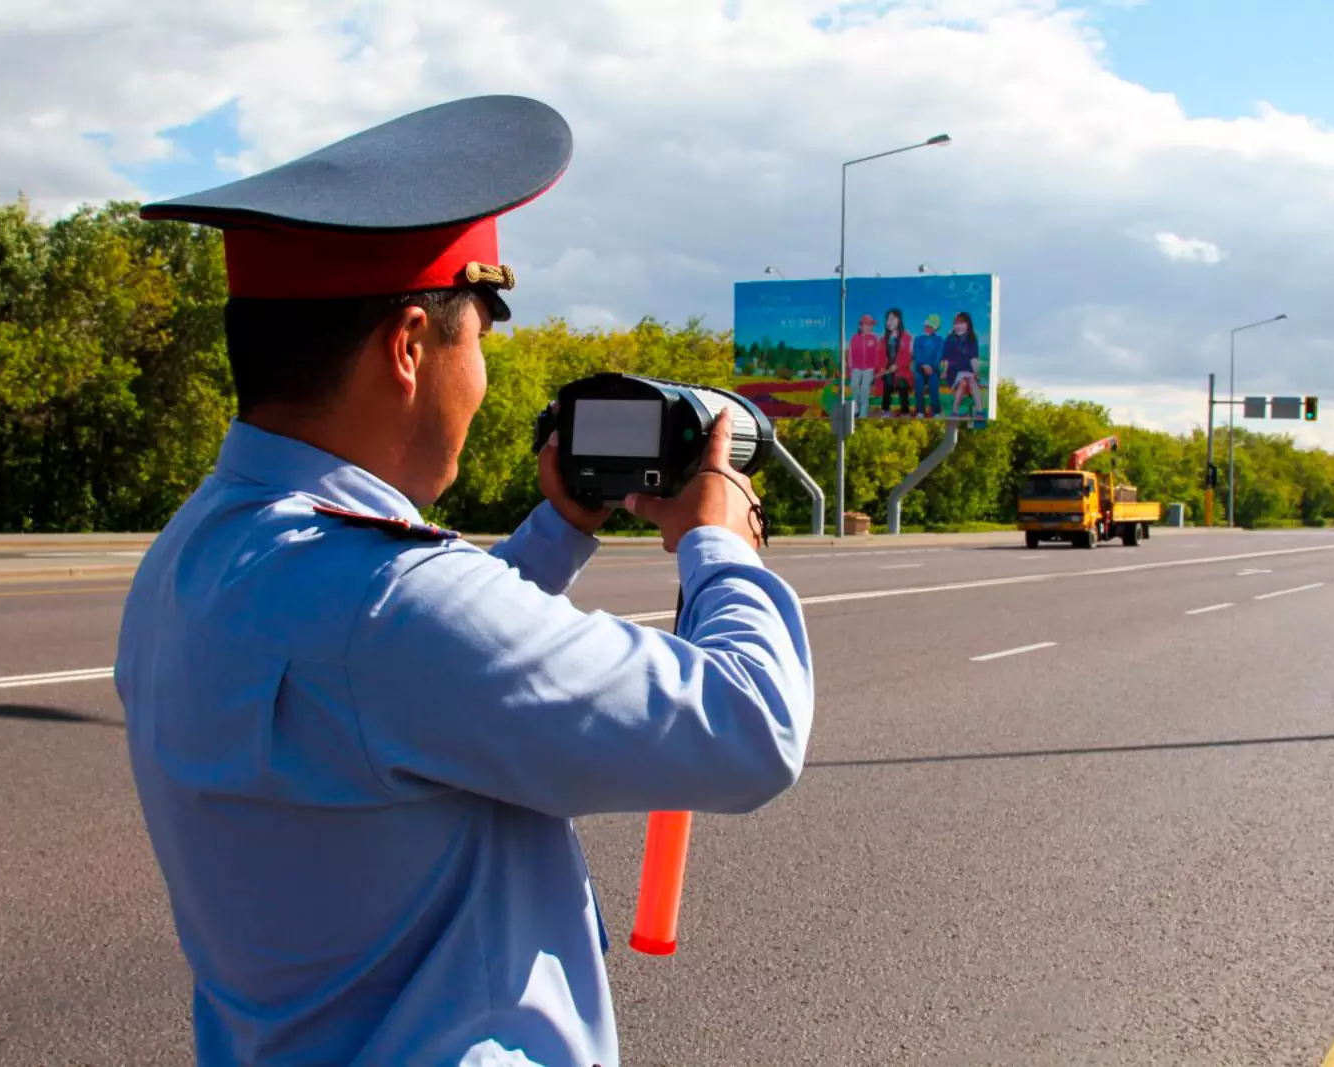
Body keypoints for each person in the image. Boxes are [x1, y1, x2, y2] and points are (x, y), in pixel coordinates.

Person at [116, 95, 815, 1067]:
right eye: (478, 336)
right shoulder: (386, 605)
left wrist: (562, 527)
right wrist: (720, 543)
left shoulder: (196, 554)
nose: (482, 378)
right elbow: (748, 727)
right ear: (409, 346)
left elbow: (395, 691)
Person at [942, 310, 983, 418]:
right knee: (962, 383)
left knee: (971, 380)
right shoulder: (950, 339)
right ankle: (954, 411)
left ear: (968, 324)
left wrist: (976, 372)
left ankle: (979, 411)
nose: (958, 326)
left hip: (966, 368)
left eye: (961, 323)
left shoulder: (972, 339)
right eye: (956, 323)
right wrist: (945, 371)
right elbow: (946, 357)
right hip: (953, 370)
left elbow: (974, 359)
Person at [846, 312, 882, 419]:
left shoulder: (874, 338)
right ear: (861, 326)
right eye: (867, 324)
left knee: (865, 388)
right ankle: (856, 408)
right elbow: (850, 354)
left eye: (871, 325)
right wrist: (850, 368)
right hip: (856, 367)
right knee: (854, 385)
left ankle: (863, 414)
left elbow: (877, 354)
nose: (869, 327)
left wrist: (876, 368)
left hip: (869, 368)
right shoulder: (854, 338)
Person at [878, 307, 913, 416]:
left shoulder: (906, 336)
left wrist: (897, 365)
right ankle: (885, 409)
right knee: (887, 384)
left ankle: (905, 411)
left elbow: (907, 354)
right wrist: (883, 367)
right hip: (888, 369)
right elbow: (880, 354)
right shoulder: (884, 337)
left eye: (893, 318)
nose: (889, 322)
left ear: (899, 320)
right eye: (888, 319)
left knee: (902, 384)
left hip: (901, 369)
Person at [911, 313, 944, 417]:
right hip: (920, 369)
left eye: (930, 326)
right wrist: (924, 365)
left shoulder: (939, 340)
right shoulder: (918, 339)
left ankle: (936, 411)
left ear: (935, 328)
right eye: (927, 325)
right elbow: (917, 354)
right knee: (919, 387)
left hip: (933, 370)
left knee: (934, 388)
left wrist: (932, 367)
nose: (927, 327)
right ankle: (920, 411)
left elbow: (938, 355)